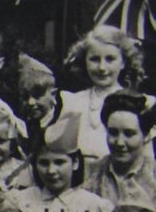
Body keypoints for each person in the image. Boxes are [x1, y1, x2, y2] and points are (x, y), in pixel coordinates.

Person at [56, 26, 147, 160]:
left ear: (123, 63)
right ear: (84, 62)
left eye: (110, 59)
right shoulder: (72, 102)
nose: (102, 68)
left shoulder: (139, 103)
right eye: (95, 59)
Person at [83, 91, 156, 208]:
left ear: (146, 136)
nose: (120, 142)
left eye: (129, 134)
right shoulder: (88, 174)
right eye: (113, 133)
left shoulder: (153, 176)